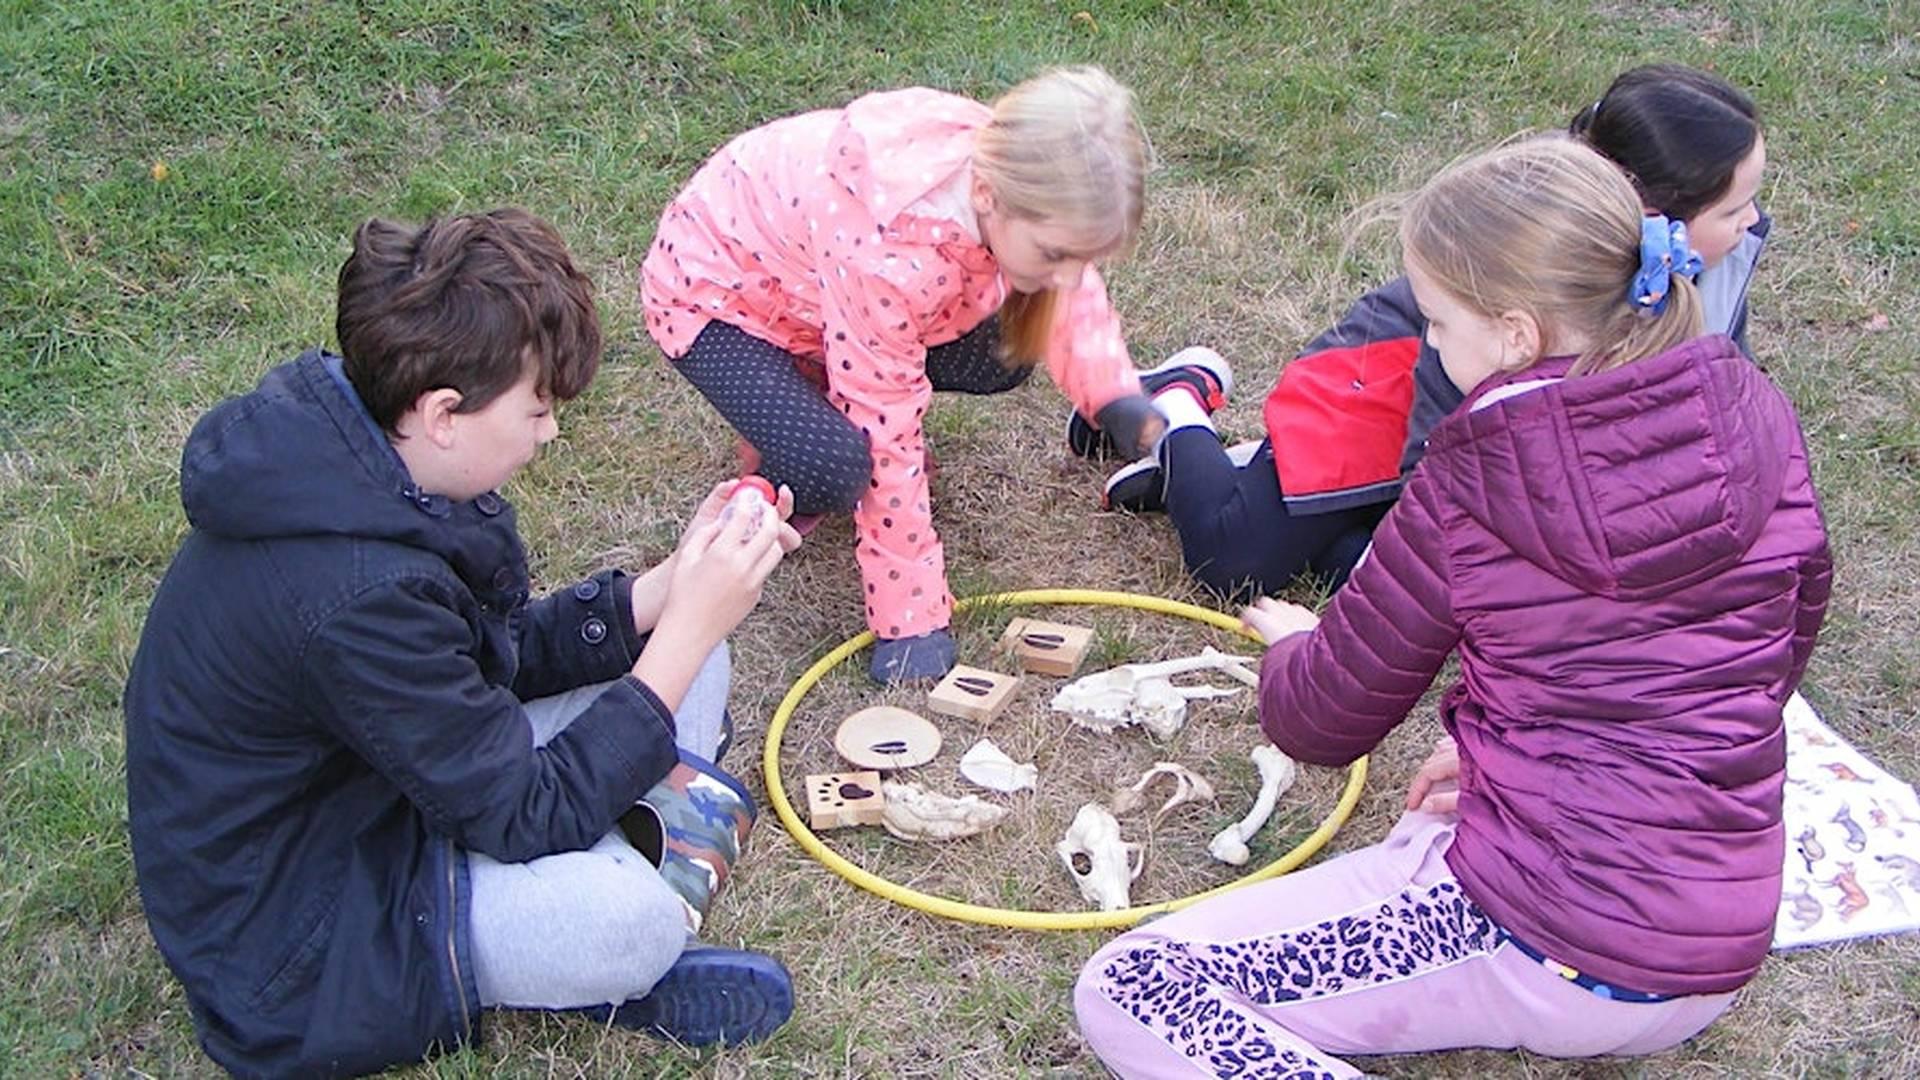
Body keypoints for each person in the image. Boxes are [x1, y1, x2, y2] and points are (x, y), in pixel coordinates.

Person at [1074, 136, 1831, 1078]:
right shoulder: (1752, 408)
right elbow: (1776, 646)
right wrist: (1499, 751)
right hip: (1717, 944)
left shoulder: (1477, 471)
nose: (1428, 344)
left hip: (1549, 940)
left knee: (1137, 989)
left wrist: (1299, 647)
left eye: (1435, 320)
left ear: (1514, 334)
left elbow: (1318, 719)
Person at [124, 209, 802, 1078]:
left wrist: (668, 591)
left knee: (692, 656)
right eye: (536, 407)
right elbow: (525, 813)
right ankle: (614, 924)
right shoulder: (352, 595)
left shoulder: (370, 463)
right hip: (311, 936)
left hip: (386, 786)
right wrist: (689, 626)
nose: (549, 431)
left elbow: (491, 656)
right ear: (445, 412)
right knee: (624, 922)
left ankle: (624, 853)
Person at [1088, 63, 1770, 602]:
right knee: (1232, 561)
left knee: (1402, 575)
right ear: (1649, 213)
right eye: (1734, 207)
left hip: (1483, 451)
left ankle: (1269, 489)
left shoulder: (1722, 255)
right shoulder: (1489, 309)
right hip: (1381, 393)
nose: (1752, 221)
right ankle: (1177, 402)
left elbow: (1707, 404)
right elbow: (1444, 471)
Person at [641, 66, 1213, 683]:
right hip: (720, 301)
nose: (1072, 277)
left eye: (1085, 258)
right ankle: (788, 430)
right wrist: (909, 616)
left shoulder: (1010, 171)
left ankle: (806, 393)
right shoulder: (885, 252)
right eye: (1055, 256)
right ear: (989, 196)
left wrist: (1111, 390)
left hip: (819, 294)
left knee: (1010, 346)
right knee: (835, 469)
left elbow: (1066, 291)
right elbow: (886, 430)